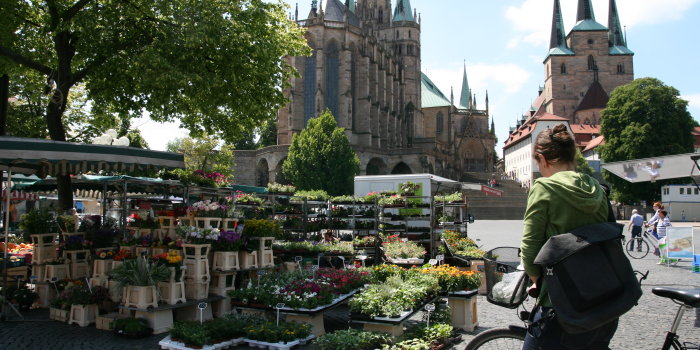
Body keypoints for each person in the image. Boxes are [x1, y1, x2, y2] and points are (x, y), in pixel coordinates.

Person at [520, 124, 618, 350]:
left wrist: (537, 281)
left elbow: (530, 245)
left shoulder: (544, 187)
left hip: (561, 300)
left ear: (543, 159)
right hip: (603, 296)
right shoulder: (596, 187)